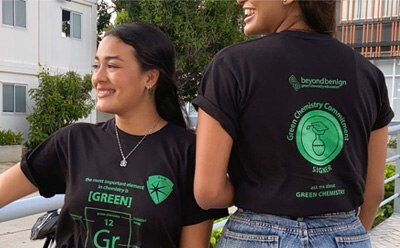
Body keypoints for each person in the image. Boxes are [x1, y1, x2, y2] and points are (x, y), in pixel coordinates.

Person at [0, 23, 226, 248]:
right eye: (96, 65)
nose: (98, 77)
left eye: (112, 66)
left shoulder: (189, 152)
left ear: (150, 78)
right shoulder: (73, 141)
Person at [192, 0, 394, 247]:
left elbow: (208, 192)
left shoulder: (231, 66)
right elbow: (373, 192)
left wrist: (264, 189)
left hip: (255, 237)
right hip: (346, 234)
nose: (240, 0)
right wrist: (346, 234)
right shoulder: (368, 74)